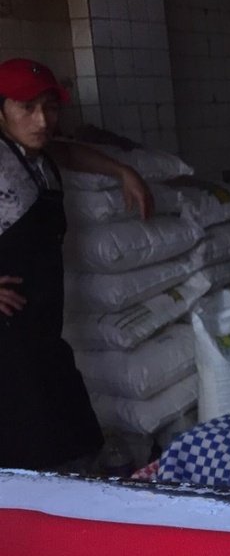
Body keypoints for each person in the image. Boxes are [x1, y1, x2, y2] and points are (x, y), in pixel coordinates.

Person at [0, 58, 153, 471]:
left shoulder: (37, 155)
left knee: (69, 420)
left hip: (42, 324)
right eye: (26, 107)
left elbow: (68, 151)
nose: (42, 120)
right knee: (26, 440)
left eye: (50, 107)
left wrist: (122, 170)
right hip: (6, 332)